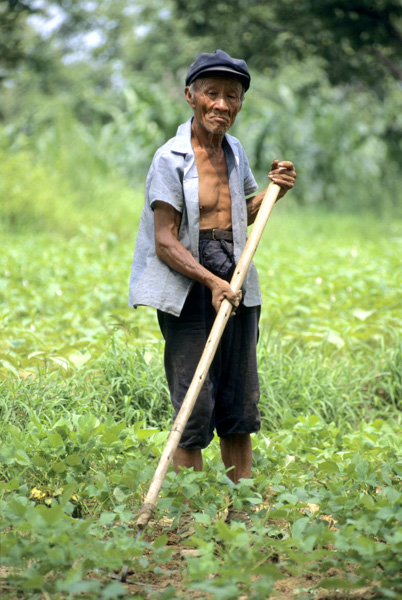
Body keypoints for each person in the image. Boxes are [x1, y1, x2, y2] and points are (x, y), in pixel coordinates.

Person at [129, 49, 296, 523]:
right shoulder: (170, 158)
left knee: (239, 401)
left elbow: (243, 209)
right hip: (188, 281)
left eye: (231, 95)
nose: (221, 104)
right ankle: (188, 517)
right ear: (191, 97)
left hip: (235, 274)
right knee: (193, 404)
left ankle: (239, 513)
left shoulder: (235, 150)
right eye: (211, 93)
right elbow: (164, 241)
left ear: (240, 102)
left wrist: (276, 190)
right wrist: (210, 282)